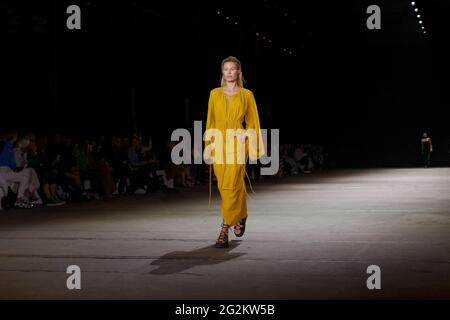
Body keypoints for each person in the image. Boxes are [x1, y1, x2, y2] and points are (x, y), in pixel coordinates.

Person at [204, 56, 265, 248]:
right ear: (222, 72)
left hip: (238, 145)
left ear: (239, 72)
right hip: (219, 143)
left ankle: (224, 229)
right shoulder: (214, 94)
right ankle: (241, 214)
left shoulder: (247, 95)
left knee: (232, 183)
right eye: (226, 69)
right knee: (225, 186)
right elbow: (210, 120)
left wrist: (246, 135)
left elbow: (253, 121)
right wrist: (208, 144)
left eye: (233, 69)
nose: (229, 72)